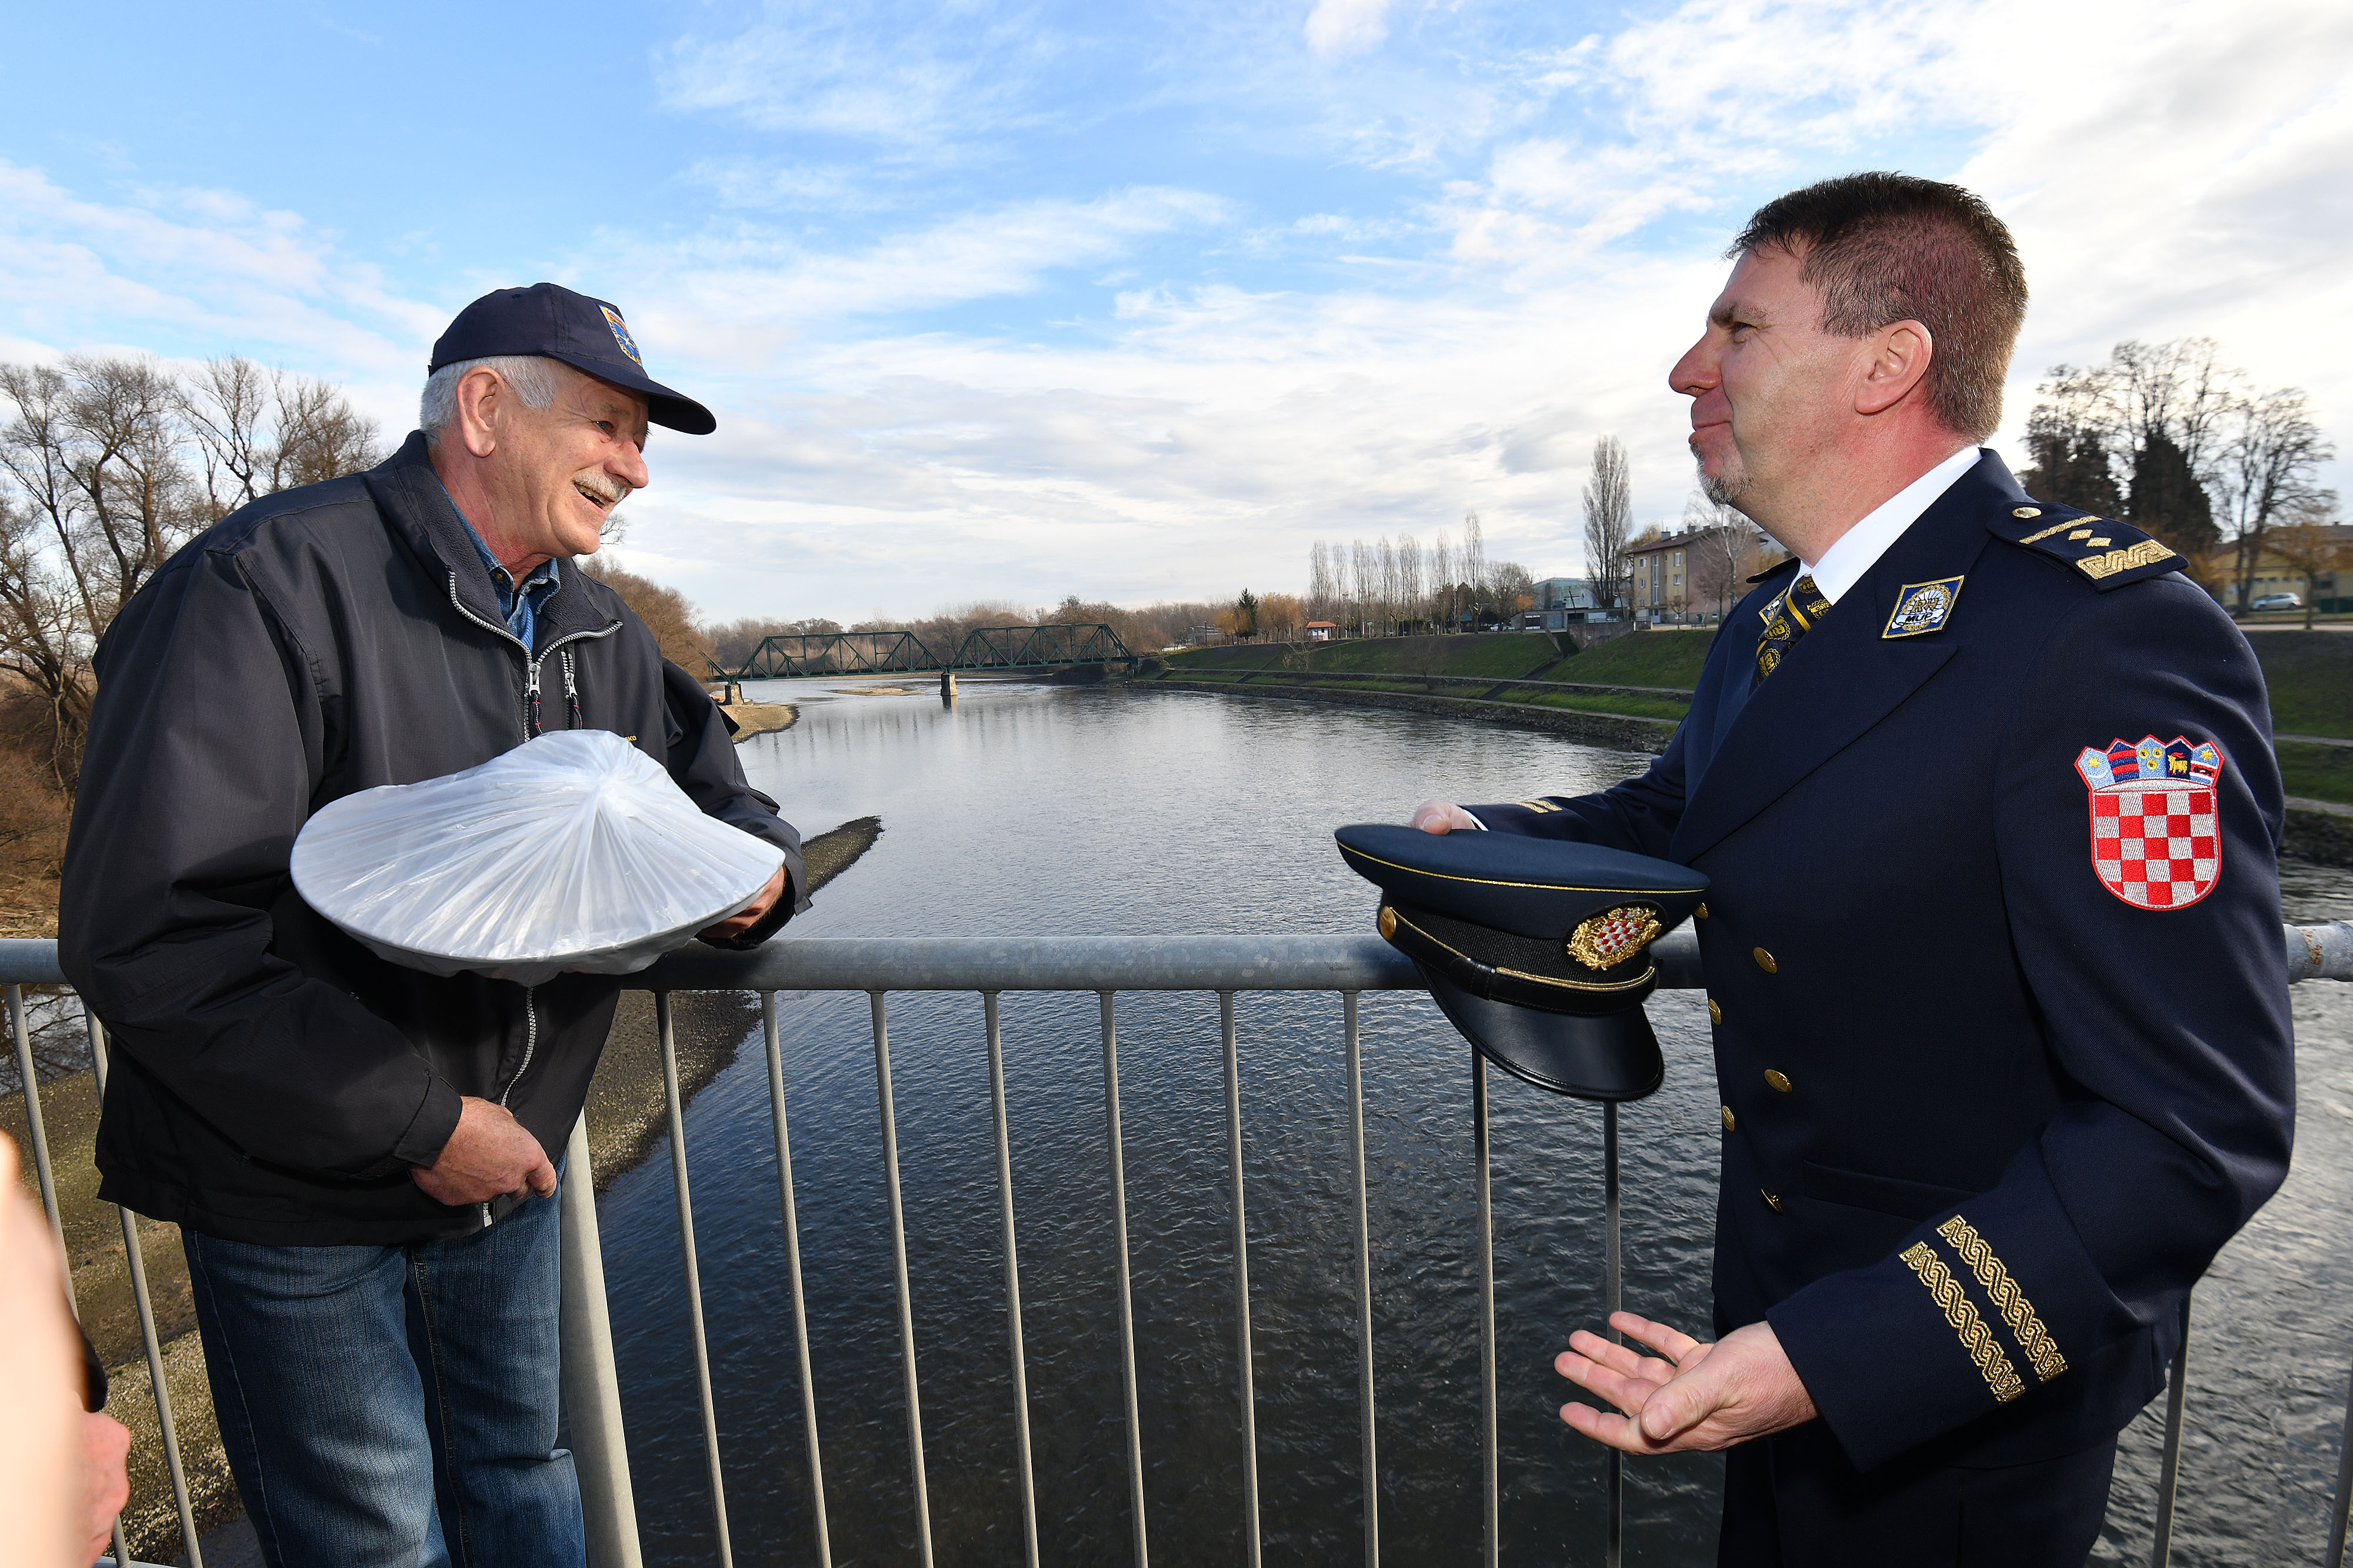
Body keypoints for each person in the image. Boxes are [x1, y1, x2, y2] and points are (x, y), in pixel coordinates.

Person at [1412, 174, 2294, 1564]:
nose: (1686, 368)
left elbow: (2187, 1133)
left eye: (1737, 331)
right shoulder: (1779, 620)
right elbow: (1681, 814)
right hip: (1769, 1327)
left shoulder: (2098, 640)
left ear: (1888, 364)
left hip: (1954, 1389)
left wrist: (1825, 1358)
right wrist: (1493, 839)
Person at [59, 283, 806, 1568]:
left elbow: (722, 807)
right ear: (483, 409)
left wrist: (761, 889)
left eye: (640, 440)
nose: (635, 468)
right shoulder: (263, 585)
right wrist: (421, 1125)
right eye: (610, 425)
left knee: (522, 1488)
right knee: (373, 1541)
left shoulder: (593, 628)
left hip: (504, 1173)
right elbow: (154, 931)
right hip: (298, 1193)